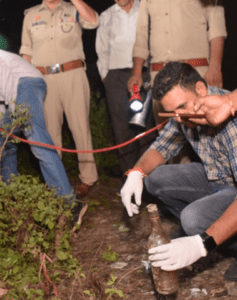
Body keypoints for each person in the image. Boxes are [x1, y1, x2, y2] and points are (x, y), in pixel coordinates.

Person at [121, 62, 237, 280]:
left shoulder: (231, 120)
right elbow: (160, 148)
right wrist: (136, 172)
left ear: (201, 90)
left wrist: (201, 244)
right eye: (173, 112)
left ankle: (216, 240)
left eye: (182, 107)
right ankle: (206, 231)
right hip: (216, 179)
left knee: (192, 218)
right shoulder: (184, 112)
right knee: (155, 179)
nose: (179, 117)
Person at [0, 42, 77, 206]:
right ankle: (12, 200)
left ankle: (68, 202)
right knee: (4, 140)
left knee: (38, 142)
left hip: (26, 83)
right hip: (16, 97)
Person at [127, 0, 227, 163]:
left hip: (195, 73)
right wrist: (137, 71)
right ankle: (179, 184)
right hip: (160, 77)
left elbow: (217, 26)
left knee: (209, 134)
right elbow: (142, 33)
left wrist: (215, 66)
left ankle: (221, 183)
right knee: (169, 140)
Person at [20, 0, 99, 197]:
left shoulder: (73, 9)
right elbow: (26, 53)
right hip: (43, 78)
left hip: (73, 74)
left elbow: (93, 21)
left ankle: (88, 178)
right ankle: (56, 182)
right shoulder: (31, 15)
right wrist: (25, 85)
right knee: (50, 131)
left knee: (80, 127)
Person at [96, 0, 150, 191]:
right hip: (116, 76)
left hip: (144, 73)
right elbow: (101, 51)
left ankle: (149, 180)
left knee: (146, 127)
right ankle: (129, 179)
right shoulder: (106, 16)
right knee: (122, 130)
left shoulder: (146, 7)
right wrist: (106, 77)